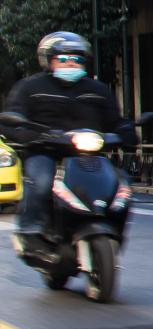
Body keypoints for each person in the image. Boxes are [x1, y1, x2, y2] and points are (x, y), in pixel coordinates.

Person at [4, 32, 134, 243]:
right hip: (46, 151)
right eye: (63, 59)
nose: (71, 63)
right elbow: (13, 119)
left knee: (122, 184)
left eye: (77, 59)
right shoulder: (30, 87)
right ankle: (31, 231)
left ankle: (113, 228)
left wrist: (127, 130)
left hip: (89, 154)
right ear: (49, 60)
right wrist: (28, 133)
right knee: (41, 181)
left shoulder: (98, 90)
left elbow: (115, 121)